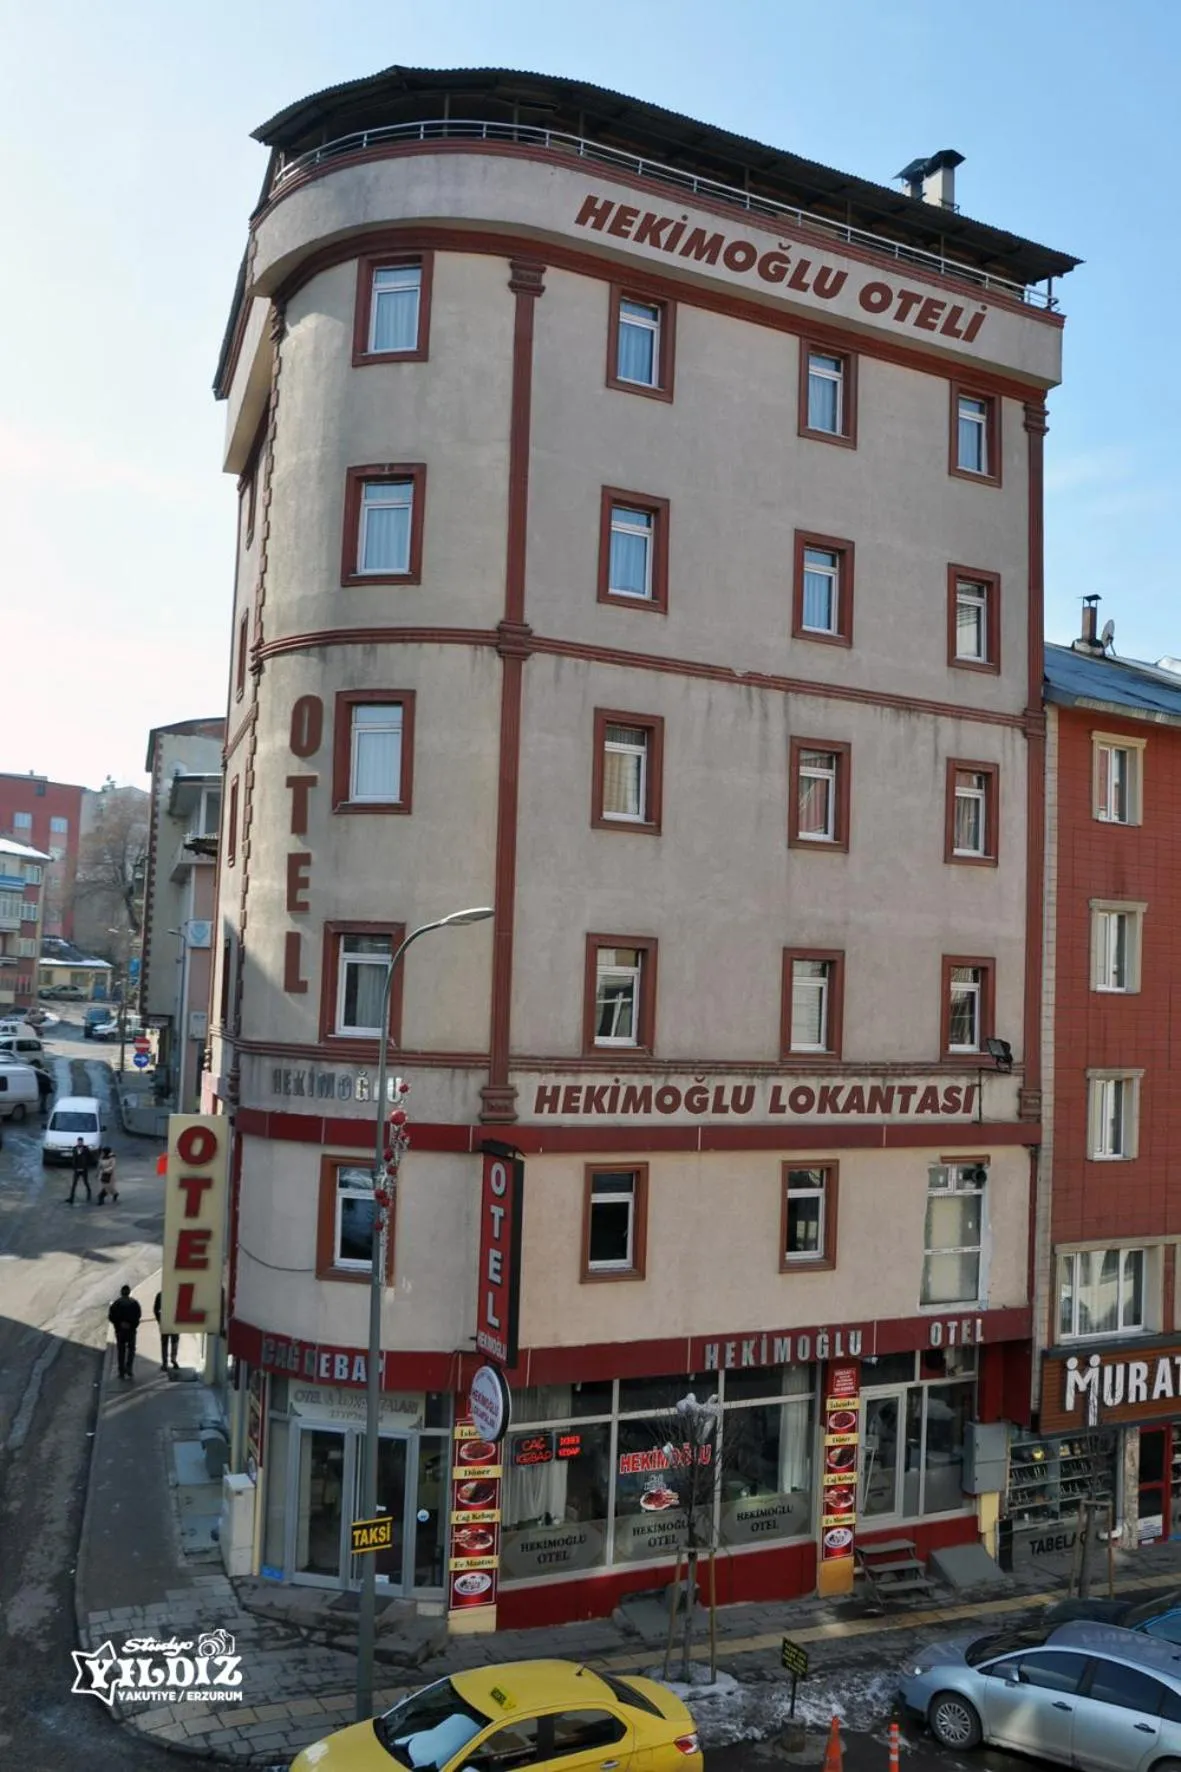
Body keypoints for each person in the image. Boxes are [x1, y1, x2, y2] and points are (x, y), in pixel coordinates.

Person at [108, 1284, 141, 1380]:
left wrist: (118, 1325)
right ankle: (129, 1368)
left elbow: (111, 1317)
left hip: (120, 1331)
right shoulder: (134, 1303)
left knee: (121, 1351)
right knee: (131, 1350)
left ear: (121, 1293)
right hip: (131, 1331)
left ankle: (121, 1370)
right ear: (129, 1292)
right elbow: (138, 1316)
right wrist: (132, 1326)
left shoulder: (116, 1304)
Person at [153, 1291, 179, 1372]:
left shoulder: (160, 1294)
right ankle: (173, 1360)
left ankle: (165, 1363)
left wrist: (159, 1320)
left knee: (165, 1343)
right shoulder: (175, 1293)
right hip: (174, 1322)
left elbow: (155, 1309)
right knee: (174, 1341)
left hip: (165, 1321)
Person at [66, 1138, 93, 1204]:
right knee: (74, 1184)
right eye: (79, 1142)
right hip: (76, 1169)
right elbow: (73, 1158)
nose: (80, 1143)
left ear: (82, 1142)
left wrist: (87, 1165)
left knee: (86, 1182)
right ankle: (71, 1198)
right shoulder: (75, 1149)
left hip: (84, 1169)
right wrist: (74, 1166)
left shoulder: (86, 1149)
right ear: (77, 1142)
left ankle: (89, 1195)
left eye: (81, 1142)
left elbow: (90, 1158)